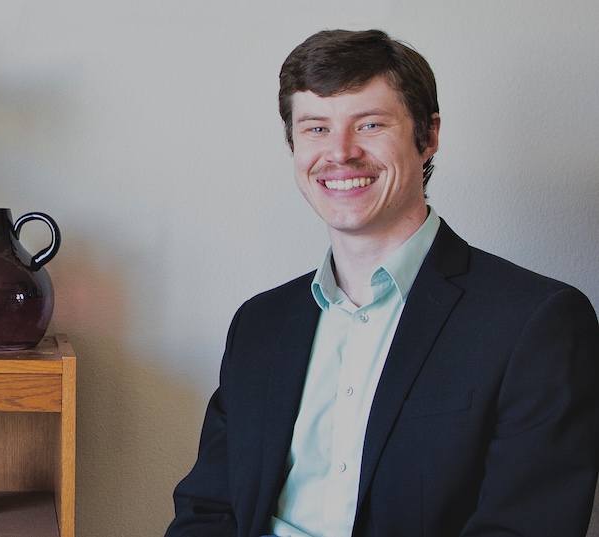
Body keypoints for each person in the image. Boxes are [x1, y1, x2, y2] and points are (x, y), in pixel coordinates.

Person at [166, 29, 599, 537]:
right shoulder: (259, 324)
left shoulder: (537, 322)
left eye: (369, 124)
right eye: (316, 129)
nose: (340, 153)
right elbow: (206, 511)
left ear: (428, 135)